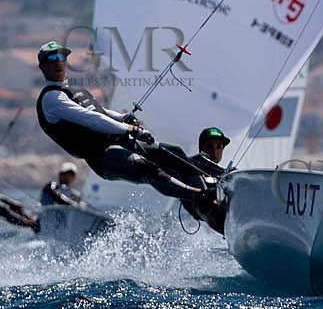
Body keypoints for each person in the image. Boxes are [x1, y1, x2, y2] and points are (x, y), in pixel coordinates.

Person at [34, 42, 219, 226]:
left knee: (175, 154)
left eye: (61, 57)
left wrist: (124, 118)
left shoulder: (76, 91)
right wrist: (129, 129)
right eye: (51, 59)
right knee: (149, 169)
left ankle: (207, 202)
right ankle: (200, 196)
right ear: (42, 66)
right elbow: (91, 119)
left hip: (121, 142)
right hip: (103, 157)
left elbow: (103, 113)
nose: (58, 62)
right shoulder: (51, 99)